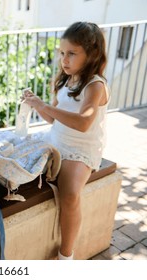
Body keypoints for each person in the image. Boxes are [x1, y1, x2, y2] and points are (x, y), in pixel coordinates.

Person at [22, 22, 109, 260]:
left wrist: (44, 105)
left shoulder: (95, 85)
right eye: (62, 53)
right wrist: (37, 102)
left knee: (70, 193)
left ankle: (66, 255)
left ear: (91, 55)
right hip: (57, 139)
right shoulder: (66, 80)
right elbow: (53, 119)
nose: (64, 59)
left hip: (81, 149)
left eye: (72, 53)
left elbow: (83, 123)